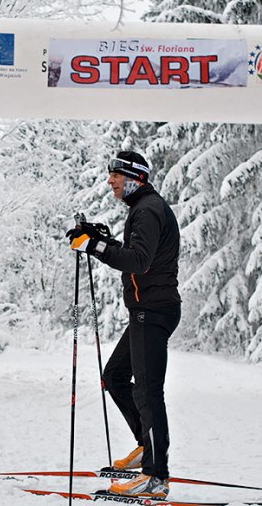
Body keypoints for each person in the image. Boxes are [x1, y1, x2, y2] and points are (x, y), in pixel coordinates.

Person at [66, 151, 181, 499]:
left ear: (134, 177)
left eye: (115, 175)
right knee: (114, 377)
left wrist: (96, 246)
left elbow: (139, 261)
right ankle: (146, 450)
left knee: (147, 391)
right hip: (146, 311)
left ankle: (155, 477)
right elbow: (137, 253)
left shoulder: (146, 209)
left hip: (153, 311)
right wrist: (100, 238)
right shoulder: (144, 208)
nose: (110, 181)